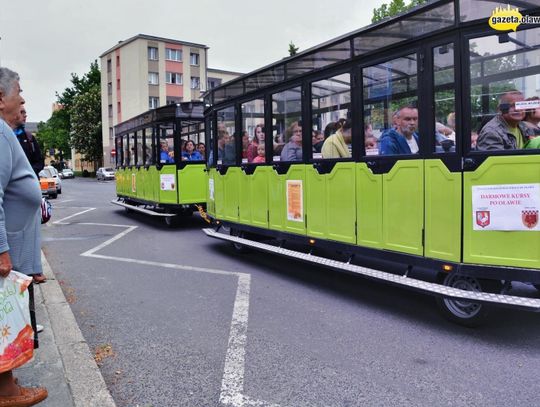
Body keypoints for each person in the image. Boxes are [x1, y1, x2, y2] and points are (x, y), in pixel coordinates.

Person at [0, 67, 48, 406]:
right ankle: (6, 392)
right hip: (8, 256)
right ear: (0, 98)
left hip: (14, 253)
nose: (23, 98)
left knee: (6, 319)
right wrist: (2, 251)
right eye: (19, 91)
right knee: (4, 319)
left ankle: (9, 384)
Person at [13, 106, 44, 177]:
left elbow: (39, 162)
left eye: (25, 113)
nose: (25, 115)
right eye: (21, 112)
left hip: (29, 182)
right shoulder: (4, 135)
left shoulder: (29, 137)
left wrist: (28, 173)